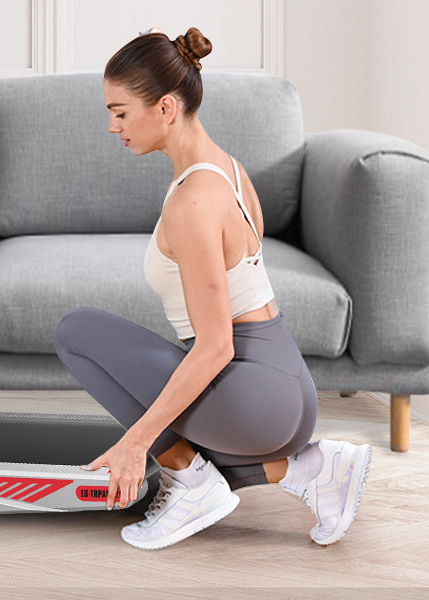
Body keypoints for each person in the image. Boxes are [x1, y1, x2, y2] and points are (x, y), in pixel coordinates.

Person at [53, 26, 373, 550]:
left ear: (165, 108)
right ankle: (307, 469)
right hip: (284, 385)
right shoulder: (229, 170)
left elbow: (217, 346)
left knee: (78, 332)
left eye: (119, 111)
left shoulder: (193, 201)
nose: (112, 127)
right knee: (164, 397)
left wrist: (137, 446)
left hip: (254, 398)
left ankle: (190, 481)